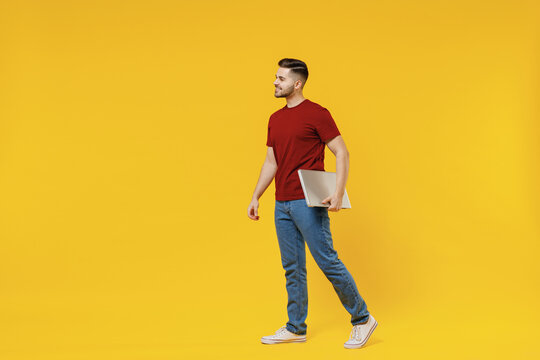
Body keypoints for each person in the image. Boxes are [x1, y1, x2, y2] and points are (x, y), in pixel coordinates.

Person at [247, 58, 377, 349]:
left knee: (327, 262)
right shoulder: (275, 119)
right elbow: (272, 161)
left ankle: (362, 319)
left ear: (297, 83)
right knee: (292, 267)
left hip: (309, 201)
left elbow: (341, 152)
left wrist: (338, 191)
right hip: (282, 203)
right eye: (275, 77)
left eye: (280, 78)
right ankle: (296, 327)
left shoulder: (317, 113)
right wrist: (257, 196)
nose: (275, 82)